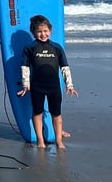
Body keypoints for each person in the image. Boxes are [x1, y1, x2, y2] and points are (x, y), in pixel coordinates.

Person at [18, 14, 78, 149]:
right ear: (33, 32)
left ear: (50, 31)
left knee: (56, 113)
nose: (43, 34)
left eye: (45, 31)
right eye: (39, 31)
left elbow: (65, 67)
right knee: (37, 112)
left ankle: (58, 140)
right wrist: (25, 85)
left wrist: (70, 85)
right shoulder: (30, 48)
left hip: (54, 86)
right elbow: (25, 67)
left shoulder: (56, 47)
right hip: (37, 86)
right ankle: (40, 140)